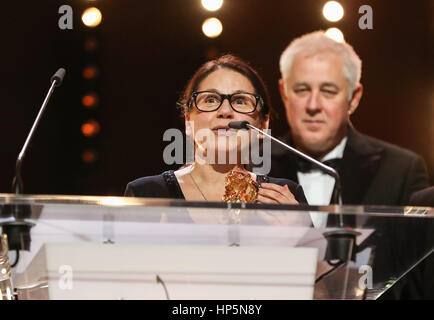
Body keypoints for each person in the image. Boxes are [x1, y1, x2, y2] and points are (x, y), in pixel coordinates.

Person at [270, 30, 430, 206]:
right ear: (284, 93)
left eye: (328, 91)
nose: (313, 105)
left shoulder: (401, 170)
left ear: (354, 98)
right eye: (302, 90)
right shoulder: (254, 163)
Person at [125, 54, 307, 205]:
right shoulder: (146, 194)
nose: (225, 111)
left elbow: (317, 249)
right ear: (188, 121)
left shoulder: (286, 197)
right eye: (211, 100)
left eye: (240, 101)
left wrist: (296, 232)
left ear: (263, 125)